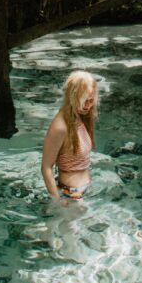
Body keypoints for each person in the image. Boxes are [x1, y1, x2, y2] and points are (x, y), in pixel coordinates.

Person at [41, 70, 98, 202]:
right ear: (72, 96)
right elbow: (46, 167)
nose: (88, 105)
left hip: (84, 190)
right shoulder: (60, 127)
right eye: (84, 100)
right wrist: (57, 202)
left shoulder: (80, 116)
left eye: (91, 100)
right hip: (71, 194)